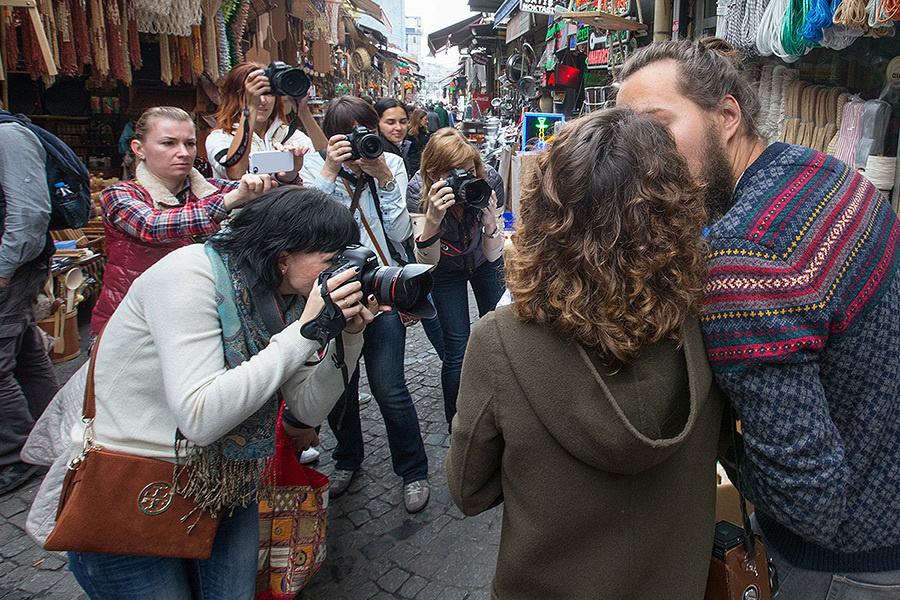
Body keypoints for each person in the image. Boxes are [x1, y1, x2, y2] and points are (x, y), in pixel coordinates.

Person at [617, 38, 900, 598]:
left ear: (727, 115)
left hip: (841, 564)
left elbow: (807, 500)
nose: (639, 156)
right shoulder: (821, 169)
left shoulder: (740, 260)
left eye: (656, 126)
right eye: (628, 137)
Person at [446, 108, 724, 600]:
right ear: (677, 214)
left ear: (545, 216)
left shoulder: (500, 340)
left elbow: (469, 490)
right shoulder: (708, 318)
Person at [67, 186, 379, 599]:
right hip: (139, 486)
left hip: (227, 483)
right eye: (330, 262)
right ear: (283, 256)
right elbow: (201, 417)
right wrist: (305, 332)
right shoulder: (189, 276)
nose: (341, 274)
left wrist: (349, 337)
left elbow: (305, 408)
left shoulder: (285, 298)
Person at [300, 96, 430, 513]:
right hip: (336, 291)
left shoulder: (389, 163)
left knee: (389, 387)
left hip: (380, 288)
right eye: (349, 134)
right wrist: (331, 171)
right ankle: (347, 458)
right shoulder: (316, 169)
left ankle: (413, 470)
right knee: (339, 389)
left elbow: (398, 230)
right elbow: (314, 230)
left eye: (366, 132)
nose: (360, 142)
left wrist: (384, 179)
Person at [91, 107, 271, 335]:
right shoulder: (119, 194)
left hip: (194, 319)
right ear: (139, 149)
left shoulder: (212, 189)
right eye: (168, 143)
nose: (183, 153)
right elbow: (152, 225)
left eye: (189, 143)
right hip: (130, 324)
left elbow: (275, 197)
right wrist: (229, 201)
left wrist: (286, 175)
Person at [405, 128, 504, 428]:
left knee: (500, 335)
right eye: (454, 172)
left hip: (482, 262)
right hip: (445, 271)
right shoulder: (417, 191)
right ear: (434, 174)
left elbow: (493, 256)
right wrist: (433, 219)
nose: (466, 176)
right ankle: (457, 424)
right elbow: (428, 263)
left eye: (469, 167)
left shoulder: (488, 180)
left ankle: (501, 410)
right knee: (457, 347)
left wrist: (489, 224)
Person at [0, 115, 59, 495]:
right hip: (14, 266)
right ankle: (51, 435)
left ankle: (15, 457)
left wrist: (4, 269)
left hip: (13, 267)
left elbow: (30, 214)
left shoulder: (8, 135)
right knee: (25, 351)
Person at [205, 62, 326, 181]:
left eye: (267, 93)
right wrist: (250, 108)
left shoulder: (287, 134)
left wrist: (303, 111)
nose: (262, 101)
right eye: (256, 94)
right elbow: (235, 173)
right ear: (234, 97)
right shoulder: (219, 138)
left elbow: (327, 160)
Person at [374, 98, 413, 176]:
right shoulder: (375, 154)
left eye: (403, 122)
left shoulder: (406, 146)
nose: (398, 128)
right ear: (377, 123)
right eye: (390, 123)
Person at [406, 108, 430, 175]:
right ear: (419, 119)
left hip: (422, 164)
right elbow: (407, 152)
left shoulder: (424, 132)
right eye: (425, 119)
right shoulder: (409, 134)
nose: (427, 121)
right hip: (414, 166)